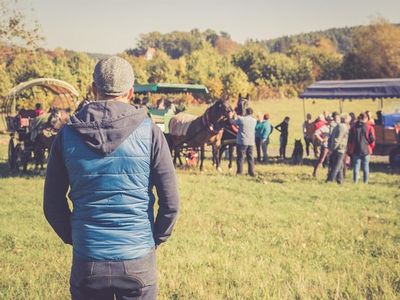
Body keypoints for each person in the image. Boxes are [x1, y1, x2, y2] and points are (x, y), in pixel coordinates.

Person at [43, 56, 179, 300]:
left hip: (88, 259)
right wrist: (154, 239)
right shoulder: (151, 133)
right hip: (138, 259)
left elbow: (52, 204)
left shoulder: (66, 135)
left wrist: (76, 237)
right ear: (130, 91)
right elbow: (171, 203)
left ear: (94, 89)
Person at [347, 112, 376, 184]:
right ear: (366, 118)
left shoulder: (353, 127)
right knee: (366, 166)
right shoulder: (370, 127)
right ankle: (365, 182)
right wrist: (370, 146)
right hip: (366, 149)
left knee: (356, 167)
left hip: (356, 149)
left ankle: (355, 182)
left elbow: (350, 139)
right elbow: (372, 139)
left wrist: (349, 149)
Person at [231, 107, 257, 176]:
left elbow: (232, 122)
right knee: (250, 158)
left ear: (245, 112)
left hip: (242, 141)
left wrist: (231, 116)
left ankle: (239, 172)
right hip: (251, 142)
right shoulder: (254, 120)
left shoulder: (241, 119)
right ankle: (251, 172)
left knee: (240, 157)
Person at [327, 114, 351, 184]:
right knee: (336, 166)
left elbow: (331, 137)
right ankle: (329, 180)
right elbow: (338, 139)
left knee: (340, 165)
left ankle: (340, 180)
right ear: (346, 119)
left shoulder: (338, 126)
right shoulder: (342, 127)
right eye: (349, 120)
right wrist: (332, 149)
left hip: (337, 148)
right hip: (339, 149)